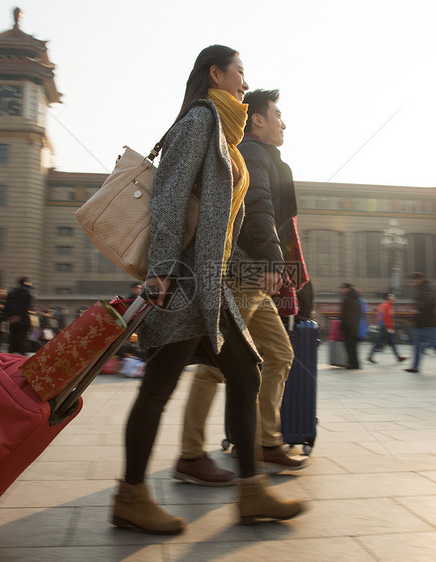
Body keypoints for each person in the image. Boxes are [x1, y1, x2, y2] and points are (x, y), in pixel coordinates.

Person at [112, 45, 305, 536]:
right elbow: (171, 199)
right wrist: (160, 273)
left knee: (246, 375)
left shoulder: (225, 131)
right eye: (240, 73)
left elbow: (222, 223)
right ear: (216, 74)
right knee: (158, 389)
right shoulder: (201, 120)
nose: (245, 83)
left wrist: (246, 268)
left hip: (211, 286)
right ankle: (131, 495)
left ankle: (251, 492)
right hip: (183, 286)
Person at [175, 88, 307, 487]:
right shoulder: (253, 153)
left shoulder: (263, 155)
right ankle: (191, 453)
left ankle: (267, 440)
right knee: (218, 361)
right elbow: (260, 206)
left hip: (257, 272)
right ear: (258, 120)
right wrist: (274, 258)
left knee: (280, 354)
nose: (284, 121)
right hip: (245, 271)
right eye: (278, 114)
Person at [367, 293, 406, 364]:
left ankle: (370, 356)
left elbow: (377, 316)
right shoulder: (388, 305)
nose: (394, 297)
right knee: (391, 342)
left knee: (382, 342)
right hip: (386, 327)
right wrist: (390, 327)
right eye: (392, 296)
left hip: (380, 326)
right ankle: (398, 357)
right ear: (388, 297)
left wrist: (377, 325)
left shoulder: (381, 305)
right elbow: (387, 316)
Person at [5, 277, 33, 355]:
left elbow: (6, 307)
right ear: (25, 282)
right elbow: (27, 307)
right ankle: (23, 361)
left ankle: (10, 360)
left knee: (12, 341)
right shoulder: (27, 292)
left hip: (13, 321)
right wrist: (20, 316)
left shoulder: (11, 293)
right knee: (23, 342)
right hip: (23, 321)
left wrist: (10, 317)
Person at [339, 283, 362, 369]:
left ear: (347, 288)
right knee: (353, 347)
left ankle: (353, 364)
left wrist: (344, 326)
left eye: (343, 288)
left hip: (349, 326)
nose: (342, 290)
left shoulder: (348, 298)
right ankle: (354, 363)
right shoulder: (356, 297)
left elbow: (345, 314)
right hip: (354, 325)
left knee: (350, 346)